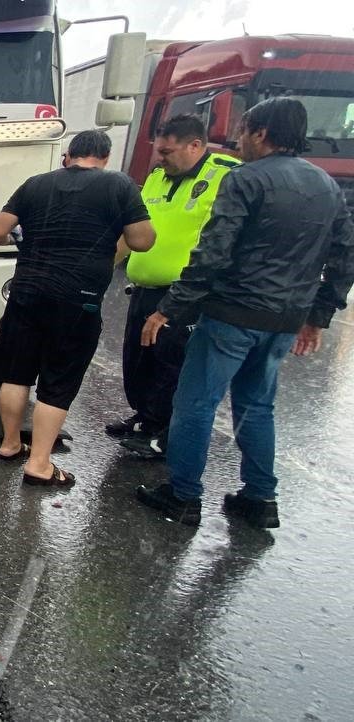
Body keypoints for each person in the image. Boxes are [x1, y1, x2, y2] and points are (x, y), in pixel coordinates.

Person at [136, 97, 354, 528]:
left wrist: (169, 308)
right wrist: (317, 315)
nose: (238, 142)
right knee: (257, 406)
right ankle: (260, 498)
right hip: (285, 319)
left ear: (261, 134)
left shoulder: (245, 180)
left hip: (233, 313)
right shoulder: (325, 185)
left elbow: (213, 252)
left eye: (242, 132)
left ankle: (183, 495)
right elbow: (345, 254)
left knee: (195, 403)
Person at [0, 130, 155, 486]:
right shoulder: (119, 185)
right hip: (77, 298)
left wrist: (21, 239)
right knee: (58, 381)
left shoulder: (36, 184)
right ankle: (39, 464)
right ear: (105, 157)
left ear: (69, 155)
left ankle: (10, 444)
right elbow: (142, 240)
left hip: (26, 290)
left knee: (16, 373)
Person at [109, 114, 241, 459]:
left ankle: (161, 431)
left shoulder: (226, 176)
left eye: (168, 152)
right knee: (138, 360)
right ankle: (144, 417)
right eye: (159, 151)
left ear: (195, 145)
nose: (161, 158)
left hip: (184, 294)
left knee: (170, 365)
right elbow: (134, 229)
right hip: (144, 288)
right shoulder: (157, 177)